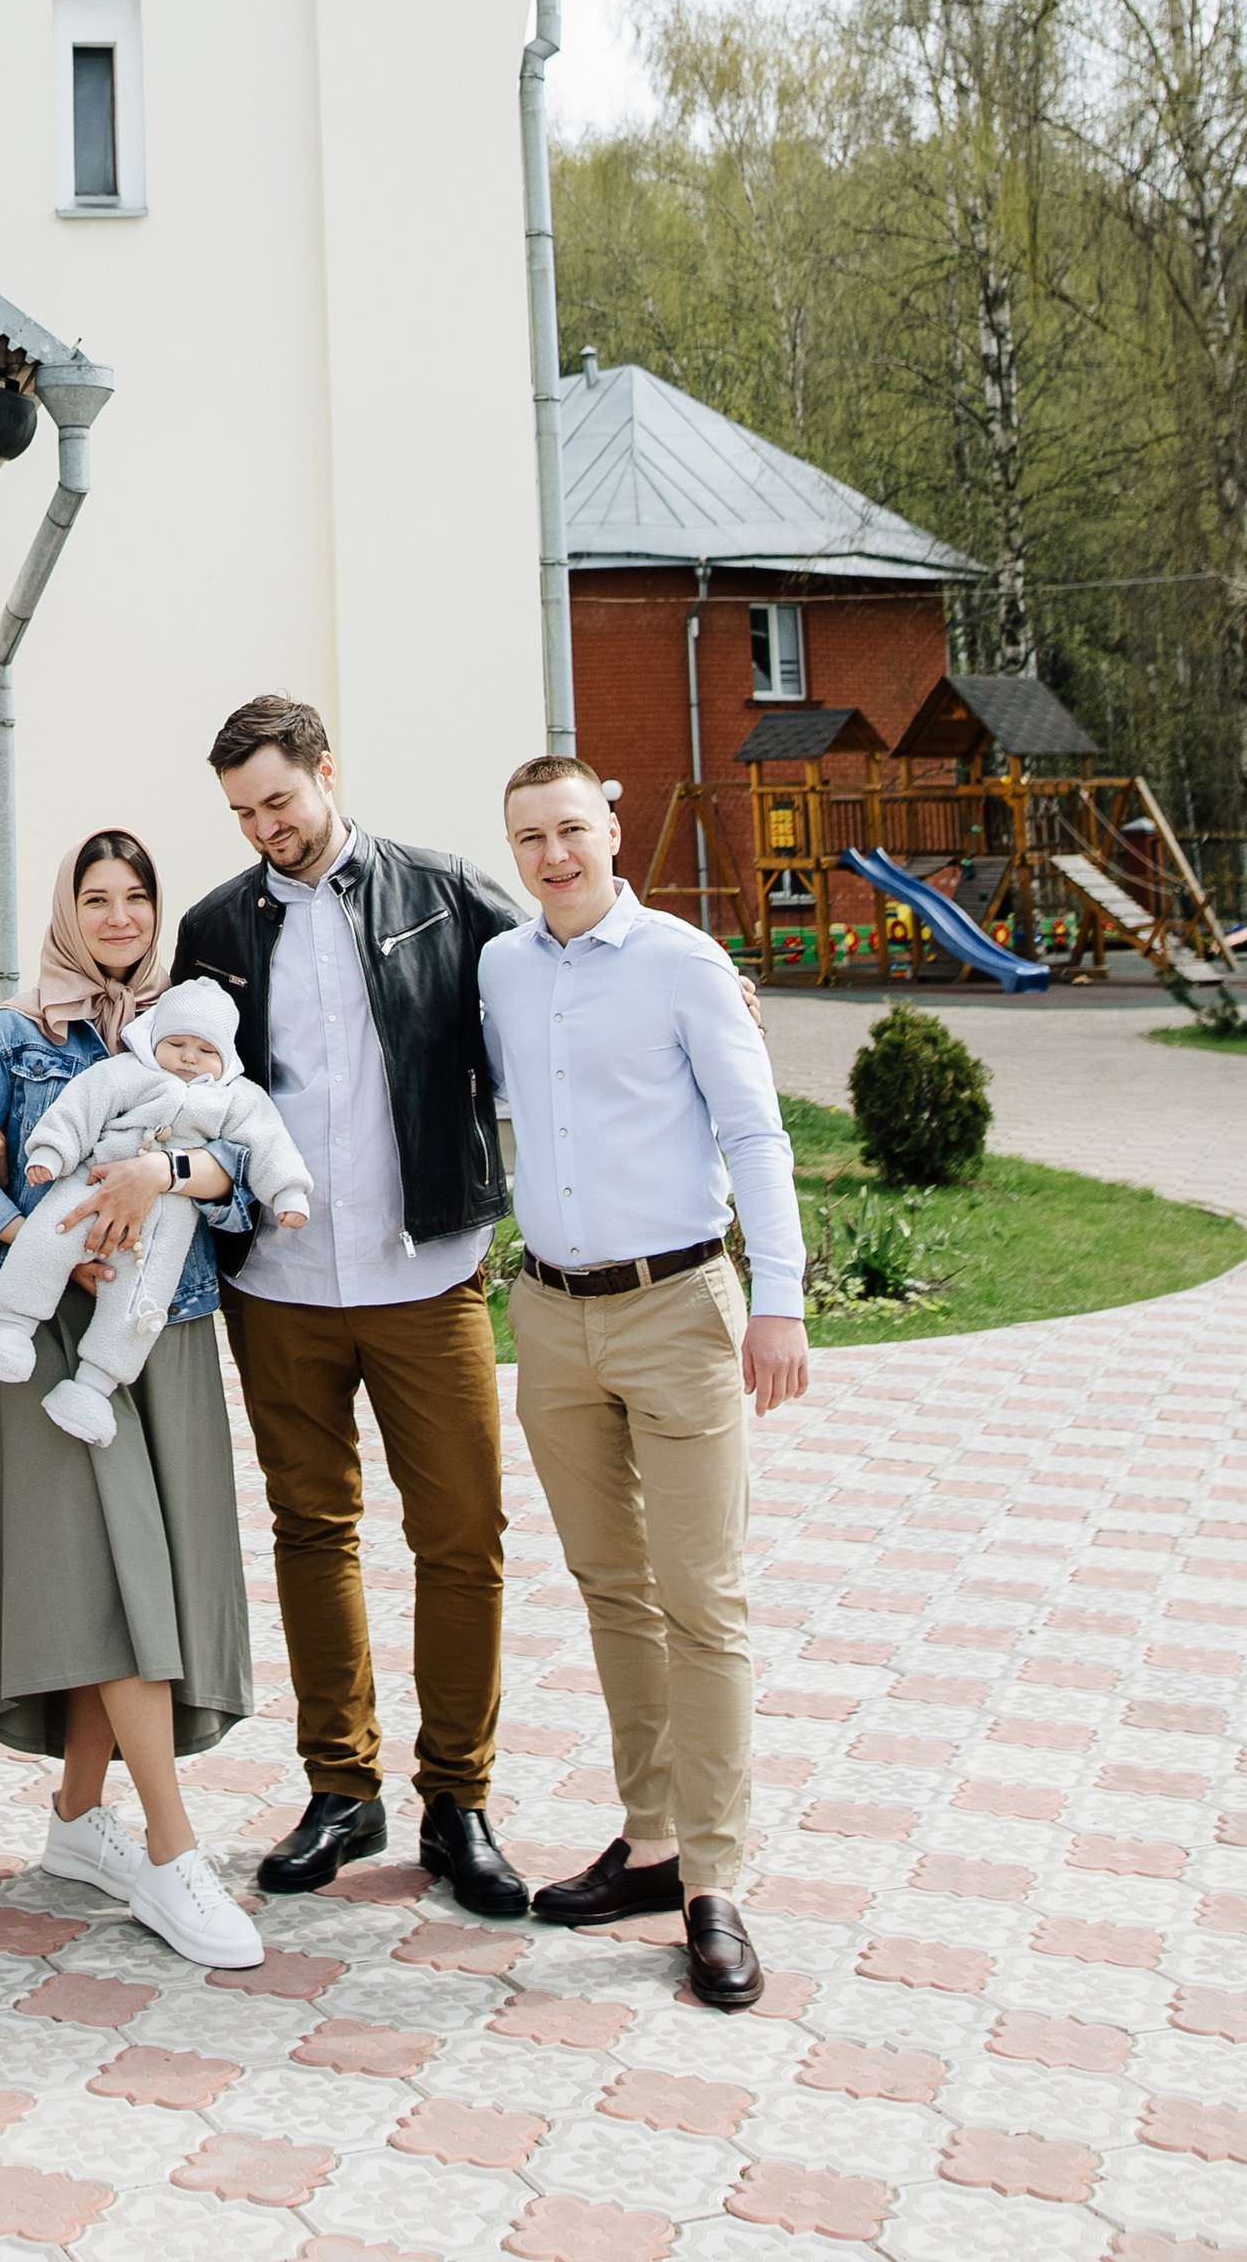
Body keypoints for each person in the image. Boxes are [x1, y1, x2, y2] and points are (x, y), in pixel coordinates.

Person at [172, 694, 528, 1917]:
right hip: (277, 1288)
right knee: (310, 1531)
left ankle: (458, 1800)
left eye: (278, 799)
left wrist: (708, 1005)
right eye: (241, 812)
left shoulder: (442, 890)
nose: (264, 827)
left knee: (461, 1536)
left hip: (425, 1274)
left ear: (327, 773)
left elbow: (553, 994)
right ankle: (341, 1788)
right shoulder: (214, 925)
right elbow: (178, 1080)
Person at [479, 756, 809, 2012]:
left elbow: (754, 1133)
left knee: (702, 1598)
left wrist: (774, 1300)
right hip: (552, 1321)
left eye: (571, 829)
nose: (554, 854)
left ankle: (714, 1882)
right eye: (530, 837)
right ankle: (649, 1839)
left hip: (680, 1310)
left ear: (612, 830)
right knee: (612, 1589)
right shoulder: (502, 971)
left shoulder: (682, 961)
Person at [0, 834, 264, 1969]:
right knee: (117, 1577)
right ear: (67, 909)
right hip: (53, 1346)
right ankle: (174, 1857)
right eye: (96, 897)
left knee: (142, 1577)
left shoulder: (194, 1025)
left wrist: (160, 1176)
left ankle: (80, 1824)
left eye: (136, 898)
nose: (119, 917)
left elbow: (246, 1161)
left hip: (163, 1332)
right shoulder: (14, 1034)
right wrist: (30, 1234)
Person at [0, 979, 313, 1436]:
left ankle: (93, 1387)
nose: (189, 1057)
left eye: (205, 1050)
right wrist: (51, 1153)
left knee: (140, 1302)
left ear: (226, 1057)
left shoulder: (237, 1098)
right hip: (95, 1181)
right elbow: (80, 1107)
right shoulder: (127, 1072)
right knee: (47, 1238)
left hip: (168, 1220)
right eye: (177, 1044)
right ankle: (12, 1329)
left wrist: (288, 1191)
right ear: (154, 1041)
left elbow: (269, 1144)